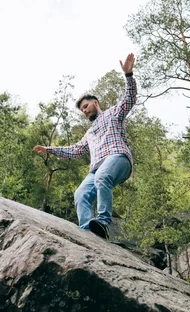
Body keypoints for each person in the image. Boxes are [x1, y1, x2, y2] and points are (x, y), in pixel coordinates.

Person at [33, 53, 137, 239]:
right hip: (95, 169)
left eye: (86, 106)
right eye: (82, 109)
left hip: (118, 157)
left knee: (103, 176)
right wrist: (49, 149)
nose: (84, 110)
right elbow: (74, 150)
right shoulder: (89, 134)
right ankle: (88, 233)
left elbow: (129, 99)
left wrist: (128, 75)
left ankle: (104, 222)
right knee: (80, 194)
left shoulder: (113, 114)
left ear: (95, 103)